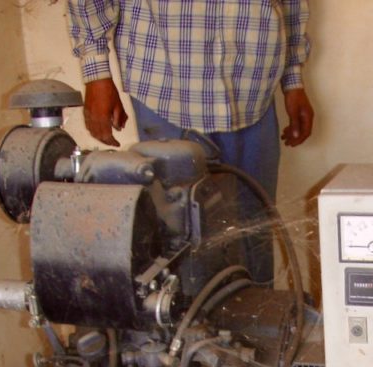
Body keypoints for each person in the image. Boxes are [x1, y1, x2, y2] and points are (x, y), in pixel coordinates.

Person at [66, 0, 315, 282]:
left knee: (252, 234)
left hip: (252, 90)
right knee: (179, 243)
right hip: (166, 87)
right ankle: (188, 325)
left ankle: (255, 324)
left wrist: (293, 80)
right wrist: (97, 73)